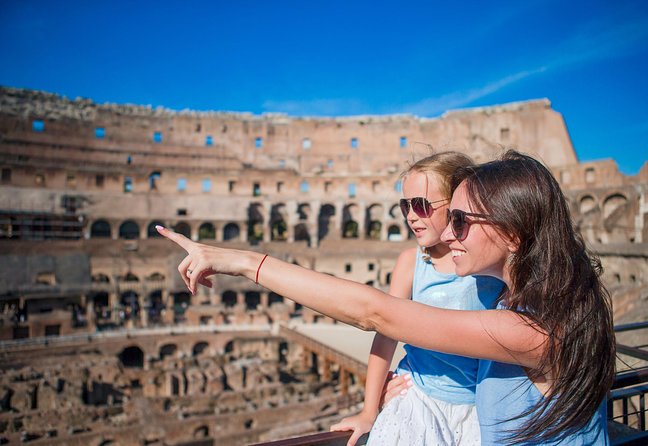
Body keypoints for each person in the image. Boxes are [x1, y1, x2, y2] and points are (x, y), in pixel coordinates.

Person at [157, 150, 615, 445]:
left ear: (513, 233)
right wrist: (407, 379)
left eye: (460, 220)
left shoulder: (534, 331)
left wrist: (241, 262)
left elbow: (374, 312)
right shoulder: (538, 306)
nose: (447, 233)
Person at [330, 151, 504, 446]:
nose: (411, 215)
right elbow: (385, 335)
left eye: (421, 205)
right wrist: (369, 411)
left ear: (456, 205)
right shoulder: (411, 264)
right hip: (420, 395)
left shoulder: (487, 265)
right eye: (405, 205)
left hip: (479, 404)